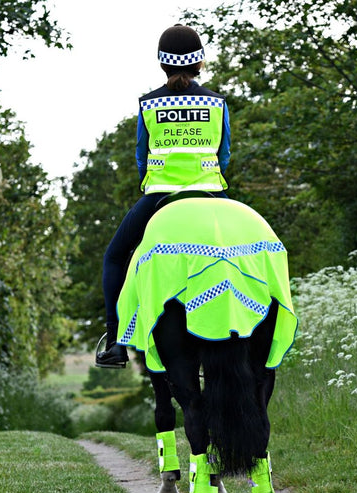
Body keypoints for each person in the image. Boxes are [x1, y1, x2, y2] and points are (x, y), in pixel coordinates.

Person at [95, 24, 231, 368]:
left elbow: (142, 156)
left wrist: (152, 181)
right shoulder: (216, 103)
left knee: (114, 257)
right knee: (247, 249)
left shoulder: (148, 104)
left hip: (158, 197)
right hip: (211, 193)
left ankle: (114, 343)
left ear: (162, 64)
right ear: (200, 63)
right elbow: (224, 153)